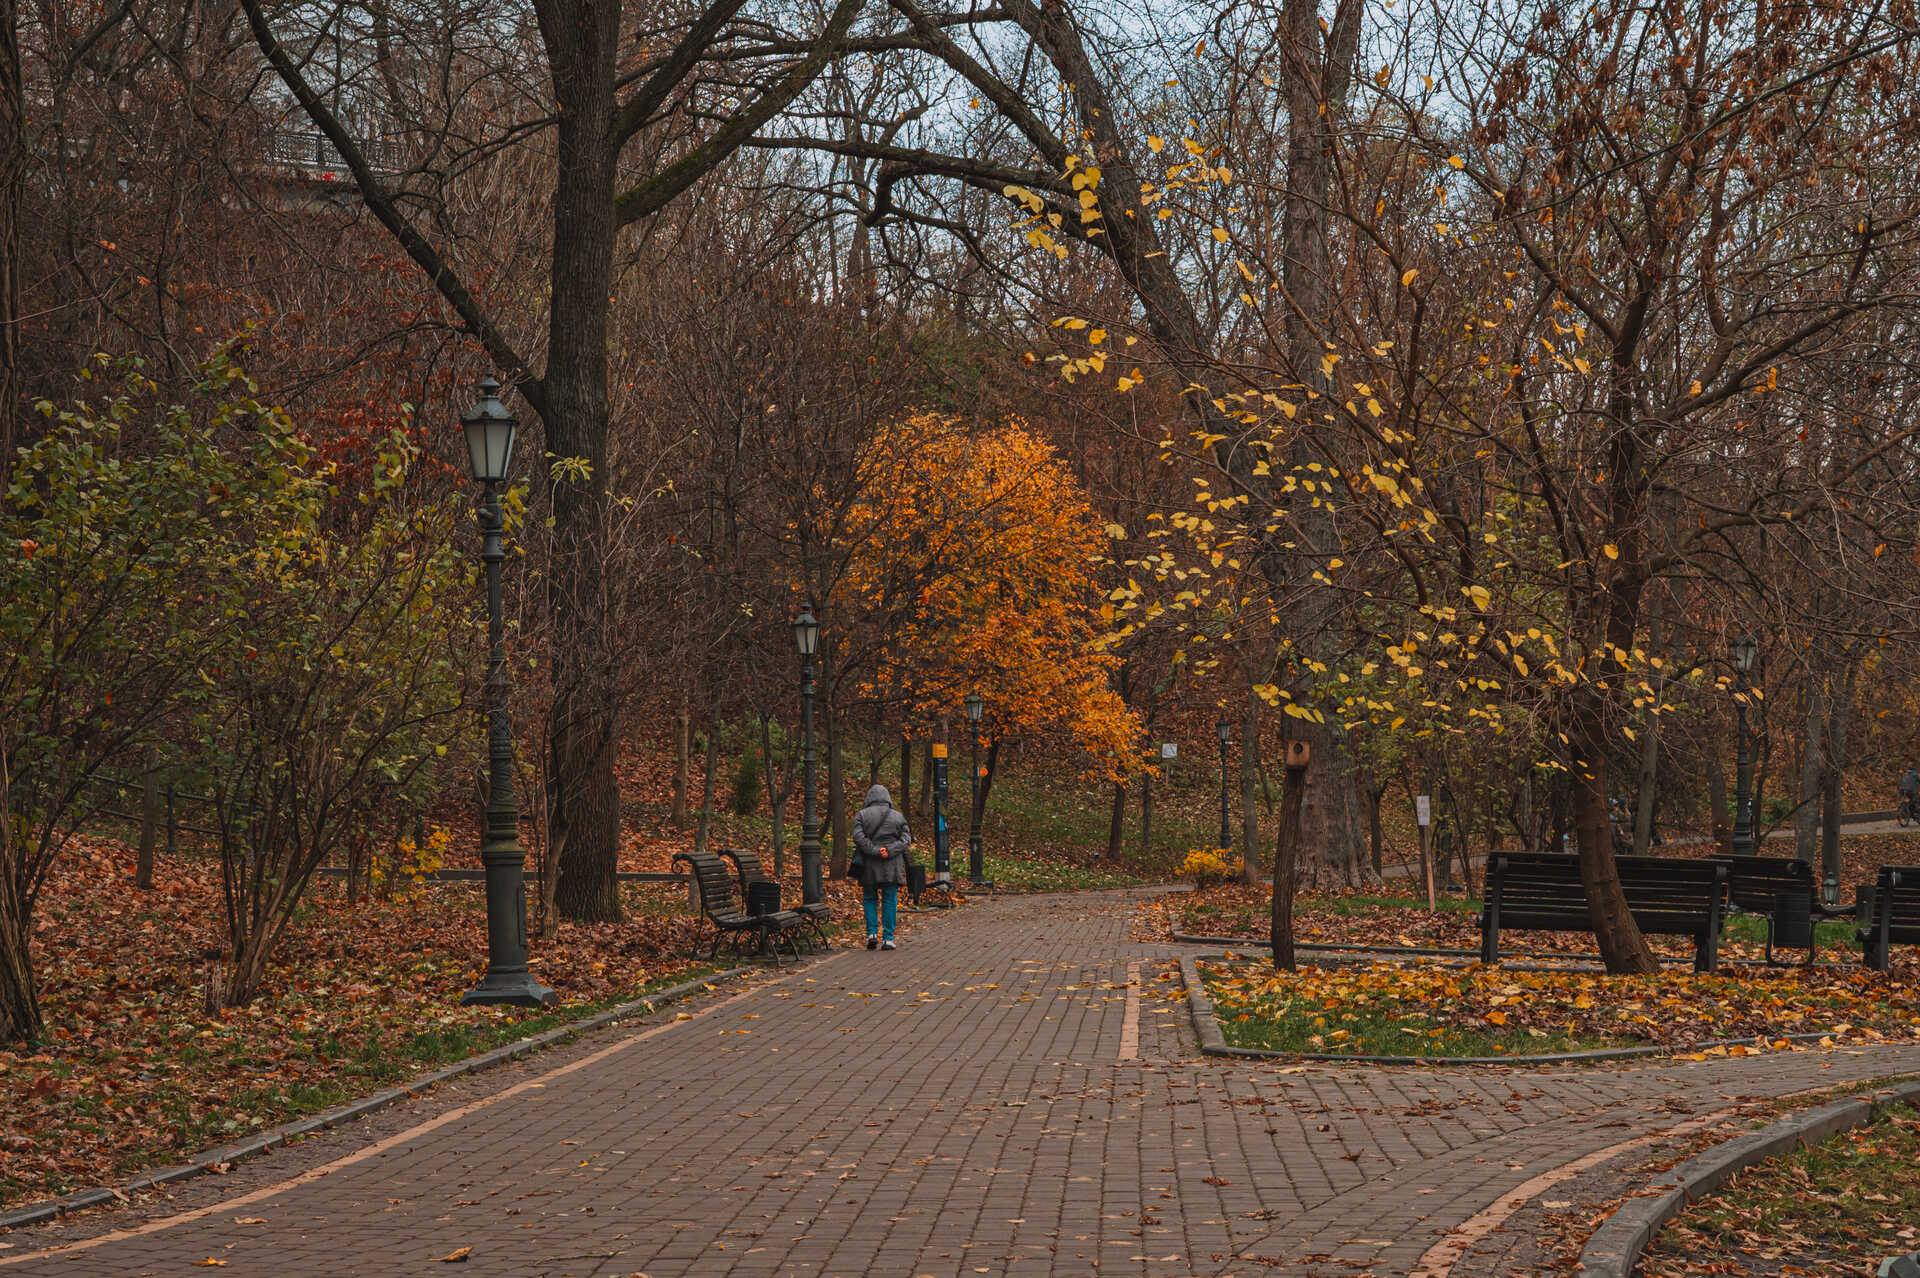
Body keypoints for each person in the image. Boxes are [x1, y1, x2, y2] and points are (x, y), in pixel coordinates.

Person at [851, 784, 911, 950]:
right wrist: (889, 850)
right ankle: (888, 938)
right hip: (891, 866)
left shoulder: (862, 815)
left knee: (870, 899)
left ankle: (871, 933)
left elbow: (857, 837)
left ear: (869, 797)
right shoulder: (898, 817)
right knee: (890, 900)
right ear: (887, 798)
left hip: (869, 865)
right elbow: (906, 839)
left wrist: (874, 850)